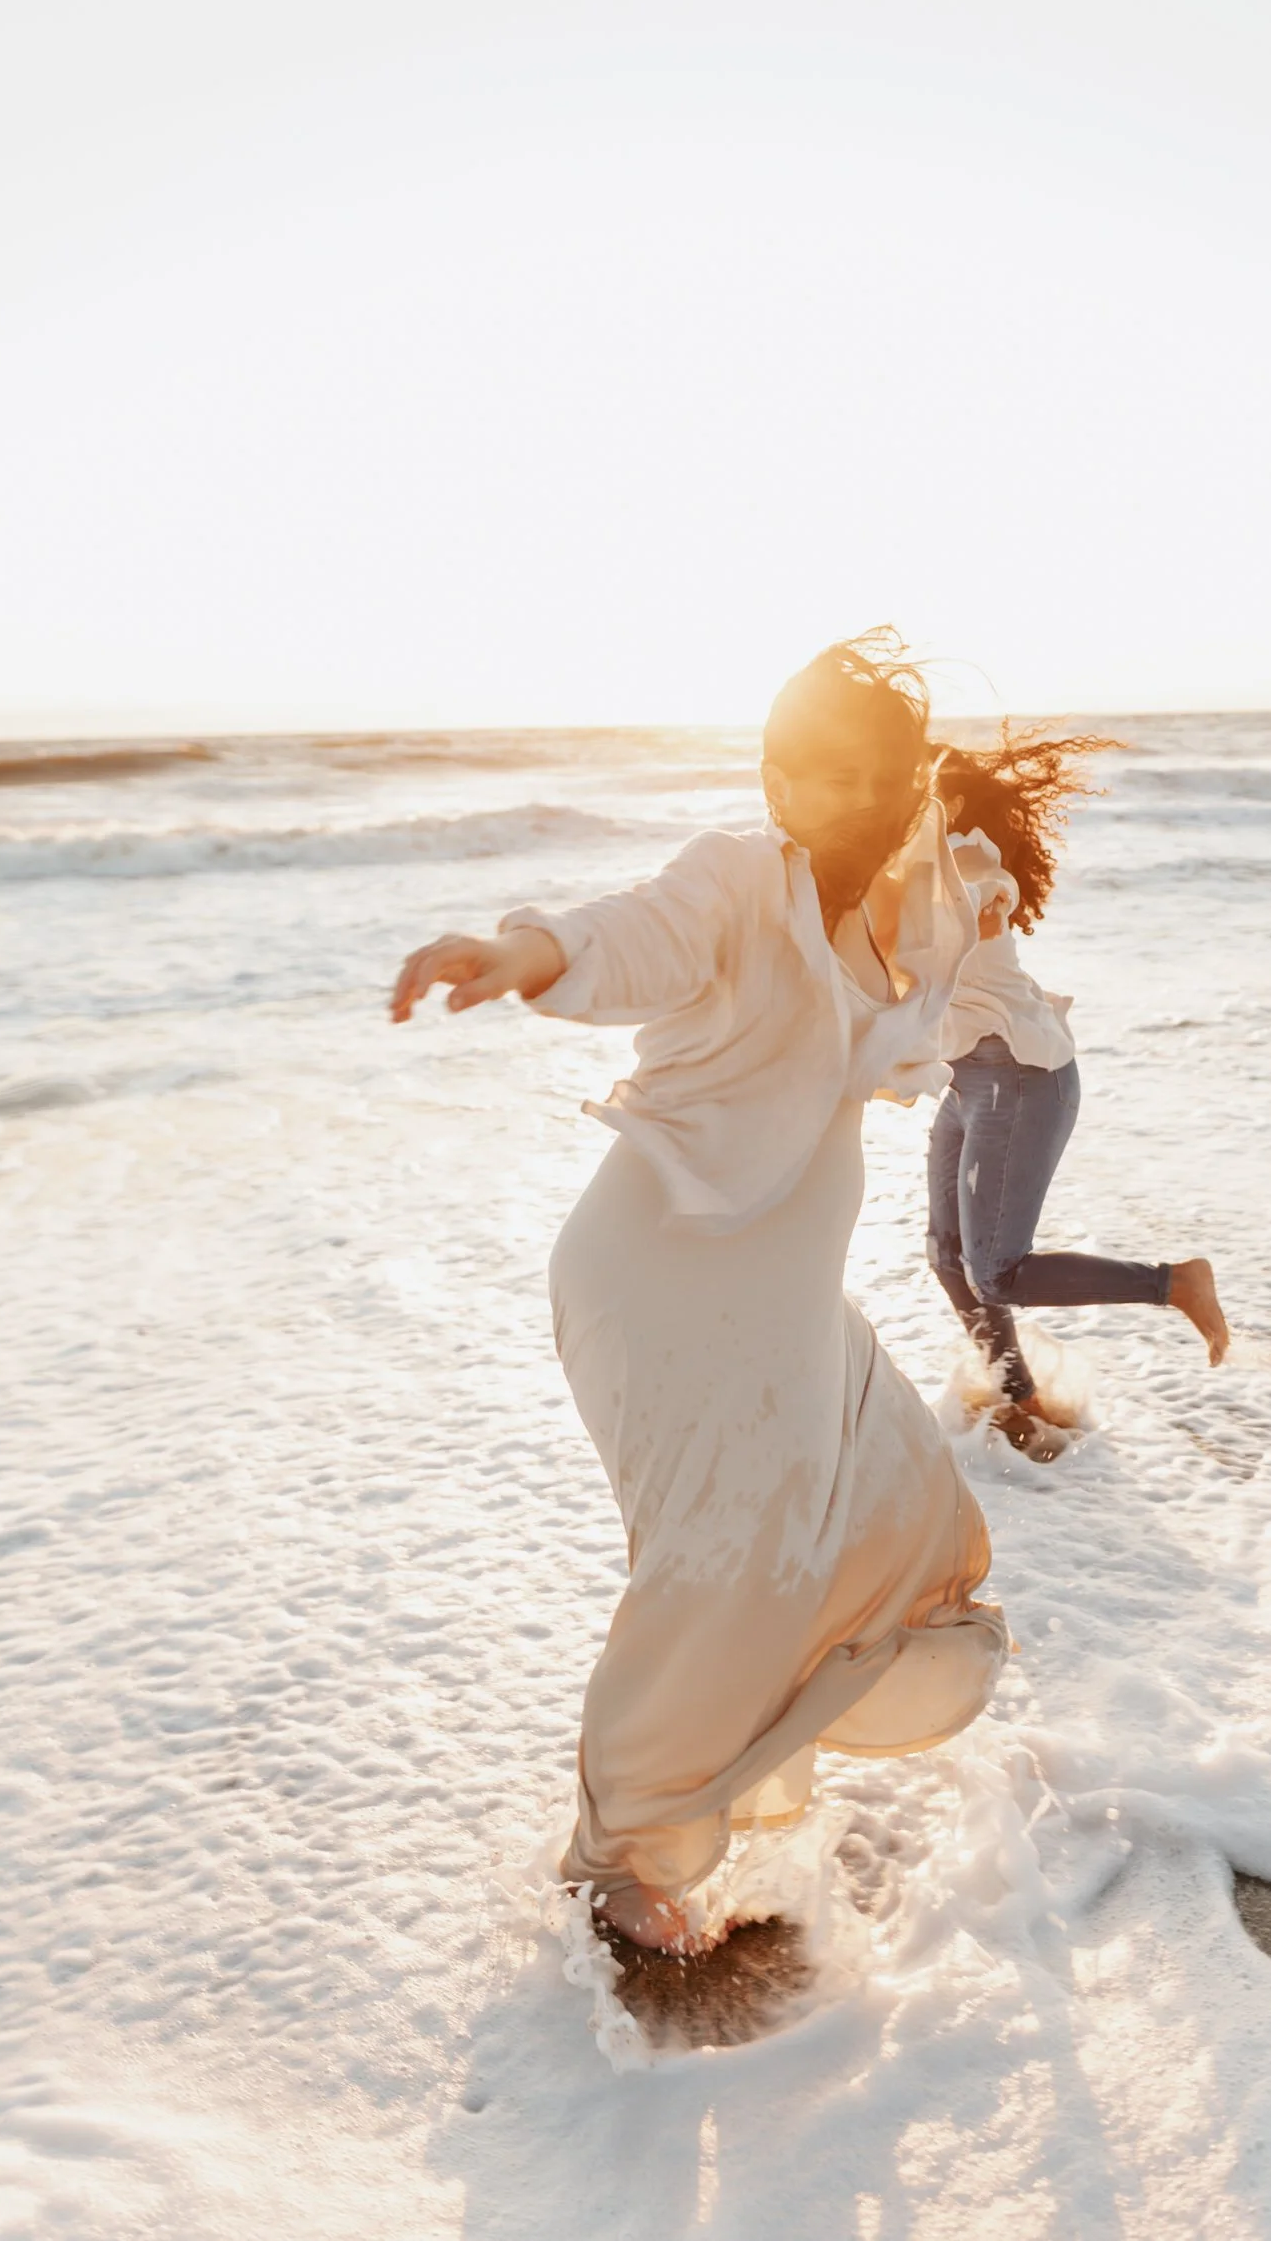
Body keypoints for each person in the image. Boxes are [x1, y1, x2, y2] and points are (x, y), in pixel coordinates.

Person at [390, 637, 1008, 1959]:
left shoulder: (913, 906)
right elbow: (629, 933)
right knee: (713, 1557)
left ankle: (715, 1778)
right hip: (658, 1275)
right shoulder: (735, 876)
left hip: (784, 1295)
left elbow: (961, 941)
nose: (814, 790)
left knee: (892, 1505)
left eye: (850, 772)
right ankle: (617, 1856)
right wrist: (523, 948)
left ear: (898, 785)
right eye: (792, 764)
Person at [928, 732, 1231, 1463]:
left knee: (996, 1270)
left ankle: (1175, 1283)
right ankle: (1020, 1398)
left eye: (916, 793)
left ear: (955, 802)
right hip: (969, 1078)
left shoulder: (970, 867)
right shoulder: (916, 868)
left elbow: (936, 916)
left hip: (1021, 1078)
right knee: (947, 1255)